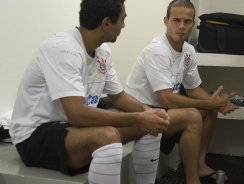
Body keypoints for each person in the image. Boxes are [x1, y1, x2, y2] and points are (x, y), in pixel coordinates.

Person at [9, 0, 170, 184]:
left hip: (69, 126)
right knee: (108, 136)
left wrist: (149, 113)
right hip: (34, 136)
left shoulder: (103, 51)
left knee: (150, 123)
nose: (124, 25)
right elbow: (77, 115)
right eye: (123, 19)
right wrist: (139, 118)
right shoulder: (63, 49)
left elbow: (119, 97)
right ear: (107, 23)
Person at [125, 0, 238, 184]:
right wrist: (207, 102)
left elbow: (193, 89)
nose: (182, 26)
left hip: (162, 110)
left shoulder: (188, 51)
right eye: (176, 20)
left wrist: (219, 103)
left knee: (210, 111)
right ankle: (192, 180)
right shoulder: (157, 50)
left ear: (193, 24)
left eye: (187, 21)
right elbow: (166, 98)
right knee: (194, 115)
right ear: (166, 21)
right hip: (142, 111)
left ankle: (200, 166)